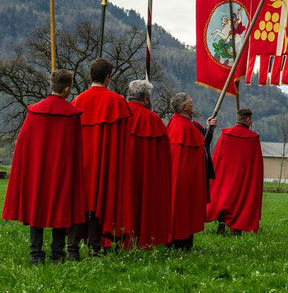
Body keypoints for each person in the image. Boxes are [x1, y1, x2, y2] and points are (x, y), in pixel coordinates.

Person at [2, 69, 85, 264]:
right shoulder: (72, 115)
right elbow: (76, 149)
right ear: (67, 89)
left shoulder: (34, 111)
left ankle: (35, 255)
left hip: (38, 170)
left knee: (37, 207)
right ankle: (57, 254)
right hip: (62, 171)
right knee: (61, 209)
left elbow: (23, 143)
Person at [69, 58, 131, 257]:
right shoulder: (117, 102)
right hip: (106, 162)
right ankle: (95, 248)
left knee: (81, 201)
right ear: (108, 77)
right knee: (100, 201)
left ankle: (72, 249)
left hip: (81, 163)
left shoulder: (77, 101)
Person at [121, 80, 172, 249]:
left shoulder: (118, 114)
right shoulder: (154, 120)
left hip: (120, 174)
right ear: (146, 99)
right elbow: (164, 157)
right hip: (146, 177)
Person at [167, 93, 215, 250]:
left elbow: (201, 141)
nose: (193, 103)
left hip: (189, 179)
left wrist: (209, 129)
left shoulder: (188, 124)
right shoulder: (180, 126)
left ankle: (185, 240)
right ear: (184, 107)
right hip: (183, 179)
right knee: (181, 208)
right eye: (190, 101)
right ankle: (179, 242)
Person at [206, 108, 263, 235]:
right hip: (243, 176)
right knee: (241, 198)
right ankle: (235, 227)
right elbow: (256, 164)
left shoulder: (226, 134)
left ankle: (221, 221)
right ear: (248, 120)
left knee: (223, 196)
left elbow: (217, 158)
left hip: (226, 175)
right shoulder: (253, 139)